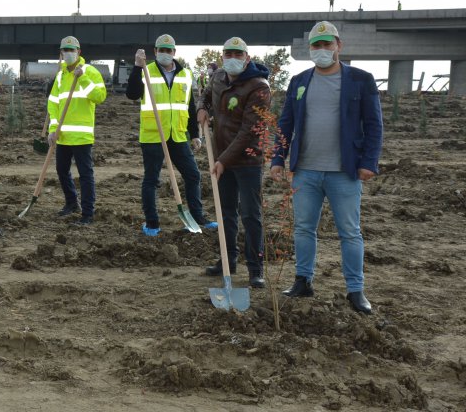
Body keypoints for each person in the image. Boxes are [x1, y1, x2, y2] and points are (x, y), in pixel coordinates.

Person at [271, 21, 383, 314]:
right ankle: (303, 280)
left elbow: (374, 125)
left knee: (350, 231)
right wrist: (277, 158)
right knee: (304, 228)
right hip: (305, 170)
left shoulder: (360, 79)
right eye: (316, 46)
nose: (321, 50)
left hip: (344, 171)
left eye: (327, 44)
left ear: (338, 46)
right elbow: (286, 123)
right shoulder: (299, 81)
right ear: (310, 49)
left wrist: (369, 162)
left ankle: (355, 290)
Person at [197, 37, 271, 288]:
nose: (232, 58)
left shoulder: (259, 87)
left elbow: (249, 131)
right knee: (224, 211)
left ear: (247, 58)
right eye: (228, 54)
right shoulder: (218, 77)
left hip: (248, 159)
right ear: (222, 57)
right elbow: (206, 95)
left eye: (238, 54)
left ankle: (255, 268)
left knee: (251, 214)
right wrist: (202, 109)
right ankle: (227, 261)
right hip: (221, 157)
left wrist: (224, 161)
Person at [126, 34, 216, 235]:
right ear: (155, 52)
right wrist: (137, 66)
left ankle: (197, 216)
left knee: (192, 175)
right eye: (161, 50)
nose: (165, 54)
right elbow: (132, 94)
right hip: (153, 135)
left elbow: (189, 106)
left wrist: (194, 134)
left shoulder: (185, 74)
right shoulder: (145, 72)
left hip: (177, 134)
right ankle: (152, 223)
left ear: (174, 52)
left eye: (169, 50)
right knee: (152, 179)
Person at [47, 36, 107, 225]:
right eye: (65, 50)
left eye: (72, 50)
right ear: (61, 53)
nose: (69, 53)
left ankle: (88, 213)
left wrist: (82, 79)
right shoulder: (60, 76)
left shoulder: (90, 72)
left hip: (81, 135)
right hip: (63, 135)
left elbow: (100, 97)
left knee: (85, 174)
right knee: (61, 170)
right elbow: (53, 104)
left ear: (79, 52)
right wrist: (53, 128)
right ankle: (72, 203)